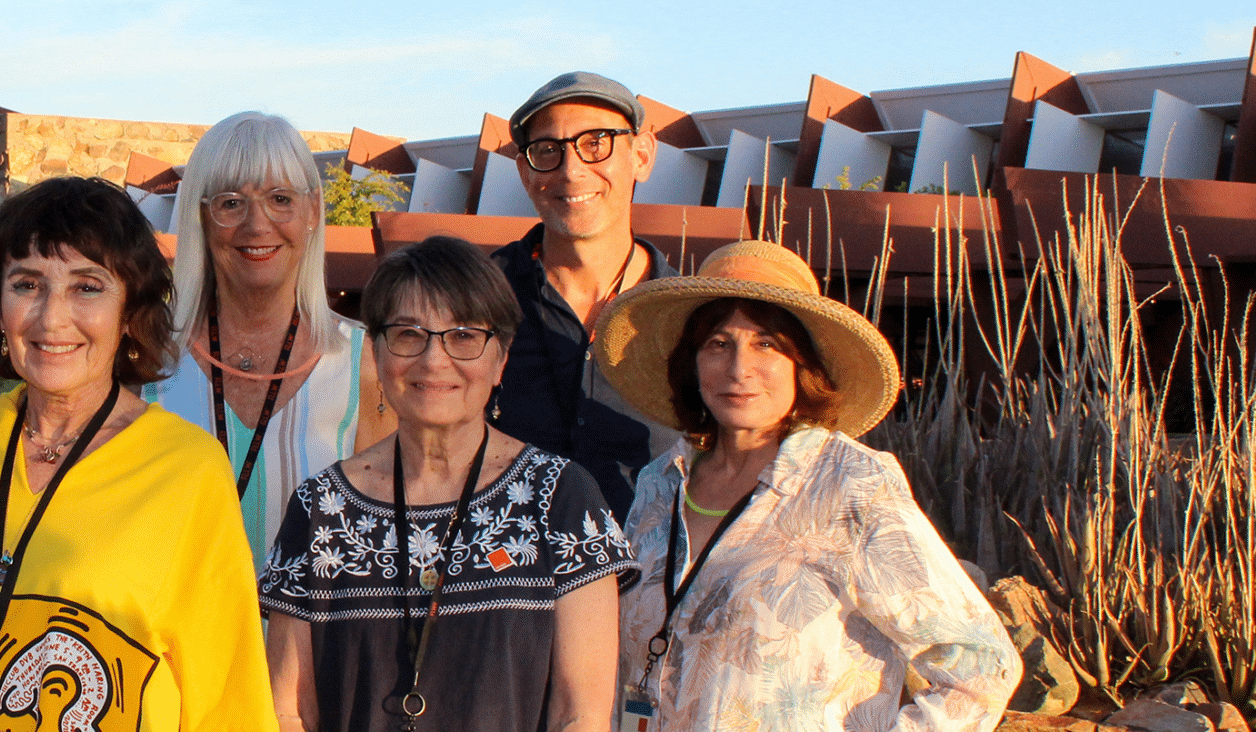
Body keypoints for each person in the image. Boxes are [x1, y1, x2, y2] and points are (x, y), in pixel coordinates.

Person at [0, 177, 276, 732]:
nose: (51, 318)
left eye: (87, 287)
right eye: (27, 284)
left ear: (131, 314)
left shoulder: (188, 472)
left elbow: (227, 708)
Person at [592, 240, 1019, 731]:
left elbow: (980, 665)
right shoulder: (659, 483)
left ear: (804, 364)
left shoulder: (851, 485)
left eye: (766, 344)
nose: (738, 369)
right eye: (718, 344)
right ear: (692, 362)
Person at [259, 236, 630, 732]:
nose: (434, 361)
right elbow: (289, 710)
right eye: (409, 334)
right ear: (376, 352)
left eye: (463, 336)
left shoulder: (562, 498)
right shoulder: (321, 508)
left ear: (500, 359)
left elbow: (581, 715)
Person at [146, 111, 392, 568]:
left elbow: (384, 540)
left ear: (314, 209)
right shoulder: (148, 363)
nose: (257, 225)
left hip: (313, 640)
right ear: (200, 215)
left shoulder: (367, 365)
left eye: (280, 199)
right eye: (231, 202)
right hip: (174, 641)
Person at [487, 71, 680, 517]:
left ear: (643, 156)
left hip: (651, 580)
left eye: (597, 143)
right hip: (501, 579)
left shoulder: (691, 319)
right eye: (547, 151)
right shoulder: (473, 300)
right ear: (524, 170)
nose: (571, 171)